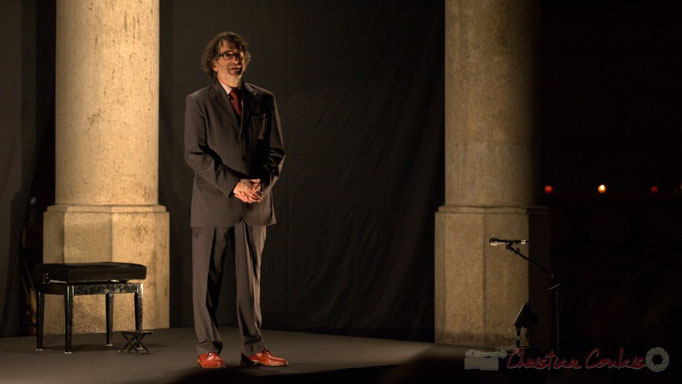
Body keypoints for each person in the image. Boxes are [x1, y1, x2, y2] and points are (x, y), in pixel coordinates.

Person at [184, 31, 286, 369]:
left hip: (254, 204)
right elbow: (195, 155)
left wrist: (260, 186)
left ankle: (254, 347)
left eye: (239, 52)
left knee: (250, 285)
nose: (235, 58)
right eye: (227, 54)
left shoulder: (264, 99)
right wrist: (234, 185)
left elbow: (277, 152)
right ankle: (207, 348)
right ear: (214, 64)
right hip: (214, 204)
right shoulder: (199, 101)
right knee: (207, 283)